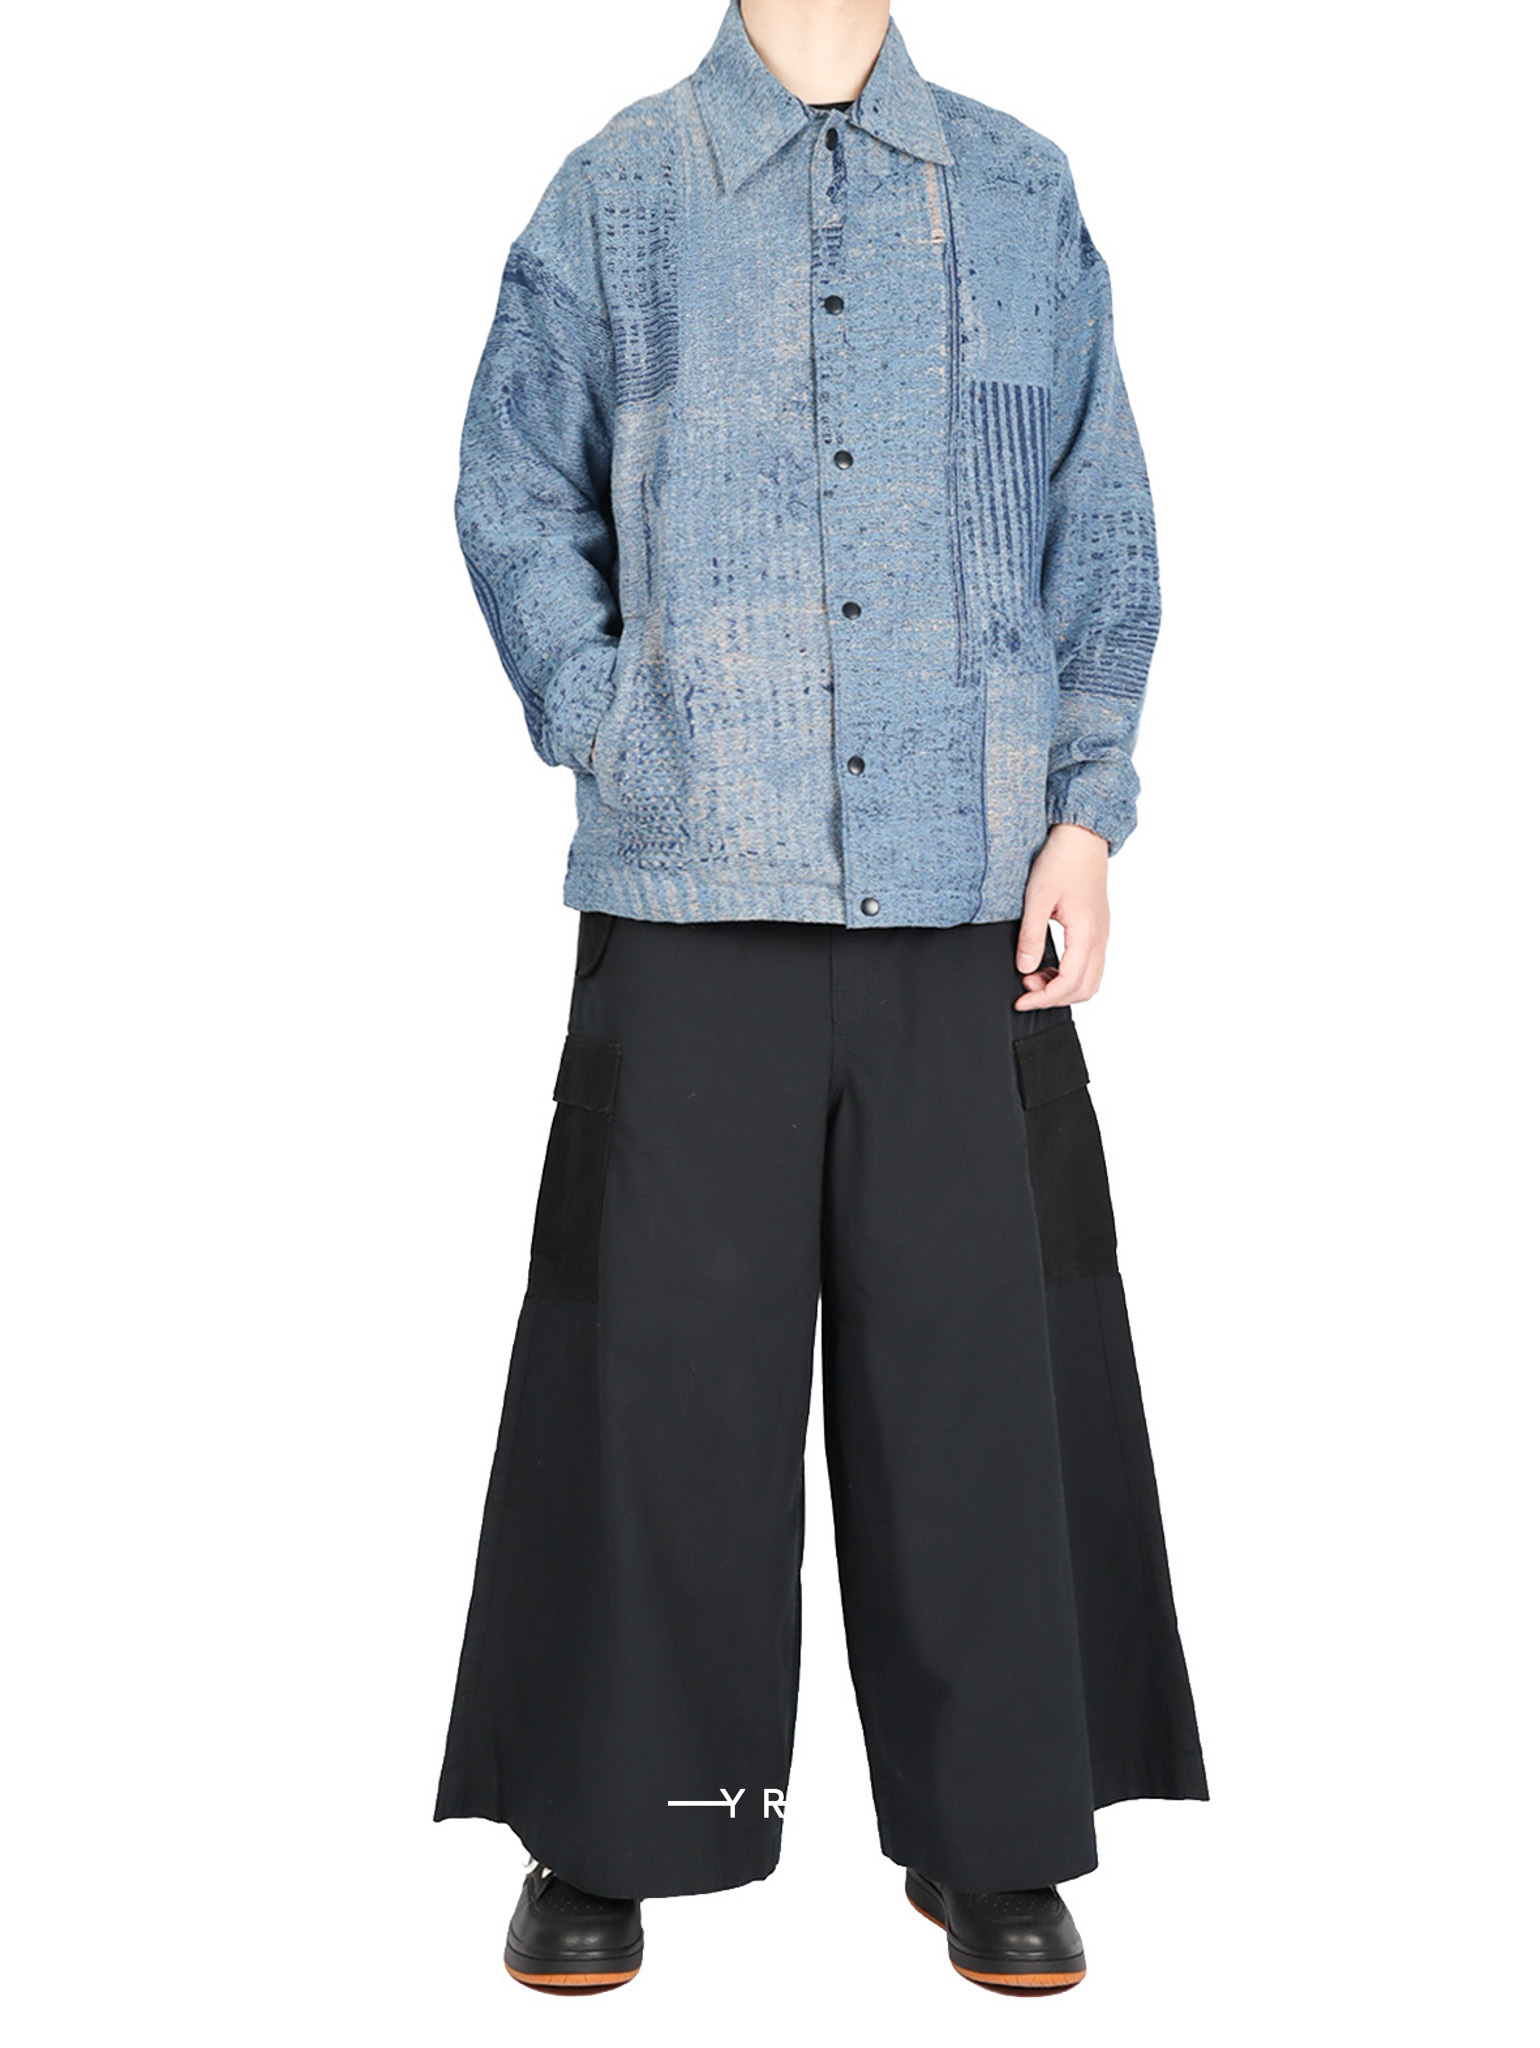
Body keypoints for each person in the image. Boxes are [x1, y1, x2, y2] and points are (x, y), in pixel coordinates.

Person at [434, 0, 1207, 1995]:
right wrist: (615, 721)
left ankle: (990, 1831)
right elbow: (512, 489)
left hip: (967, 897)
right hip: (697, 885)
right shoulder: (620, 191)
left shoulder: (1018, 191)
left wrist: (1087, 812)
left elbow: (1099, 516)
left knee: (977, 1370)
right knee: (654, 1373)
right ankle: (618, 1823)